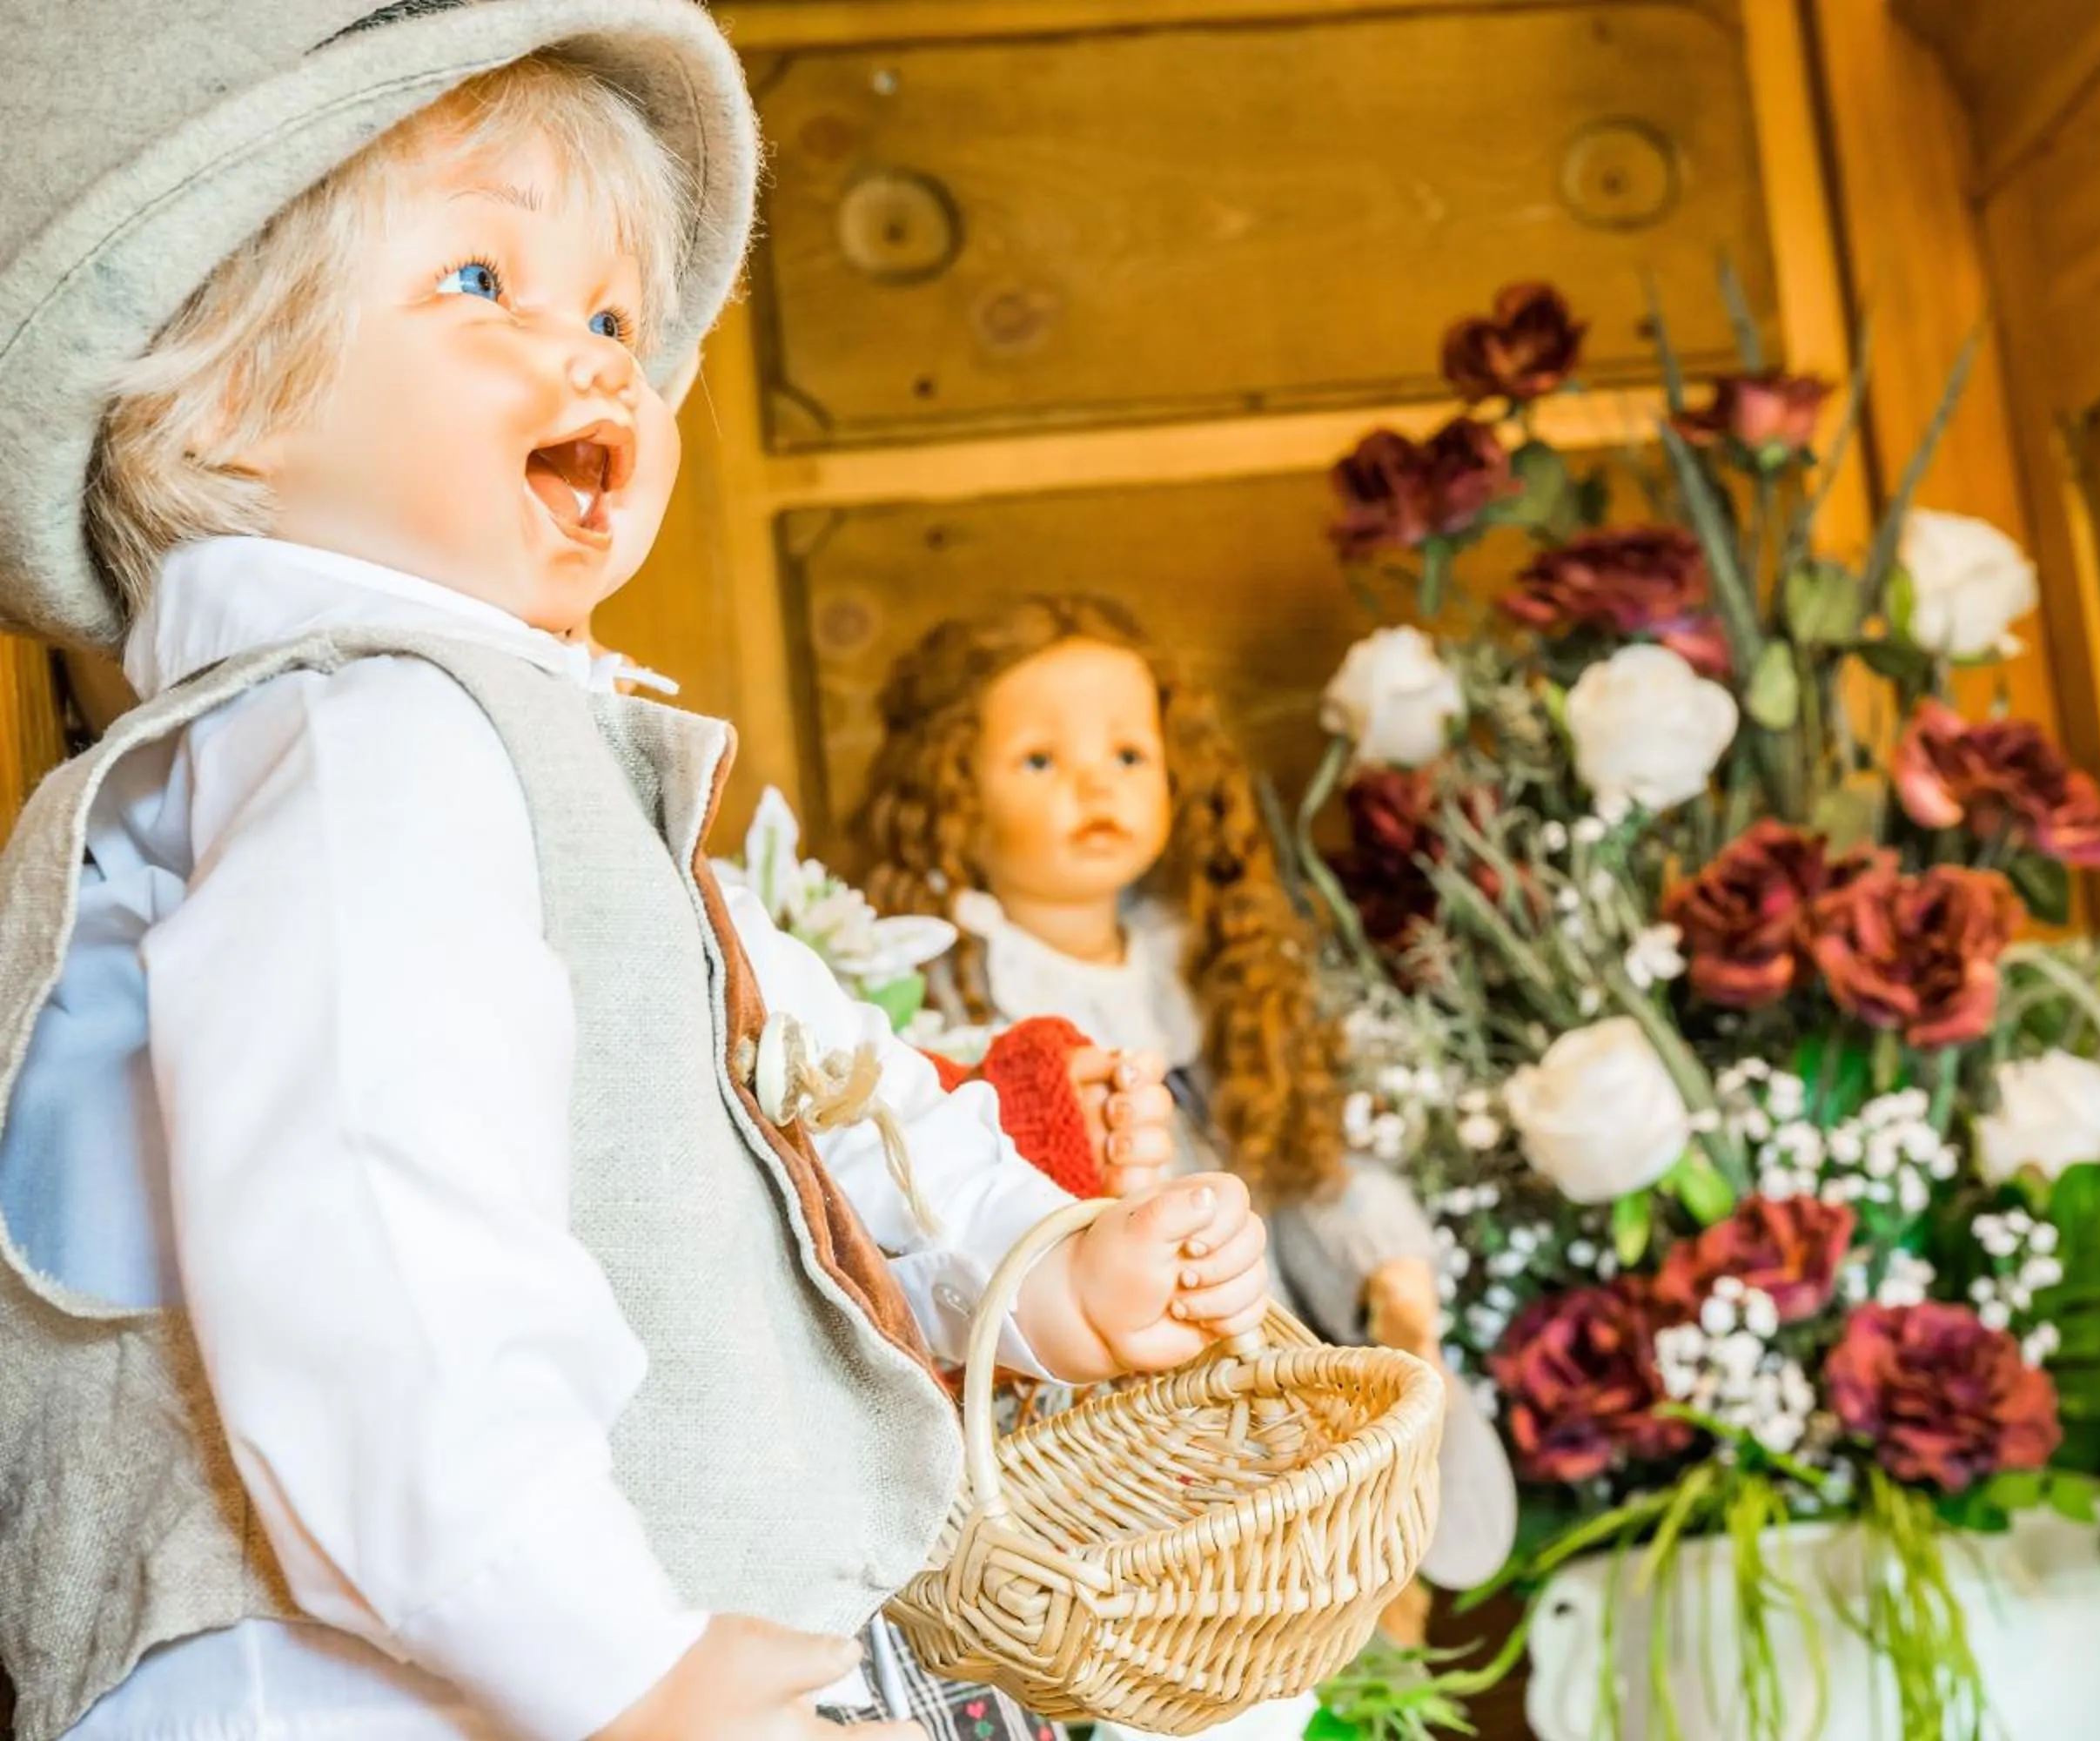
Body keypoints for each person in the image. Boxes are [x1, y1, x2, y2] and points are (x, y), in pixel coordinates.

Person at [0, 11, 1269, 1740]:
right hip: (361, 1687)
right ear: (222, 399)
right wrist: (608, 1664)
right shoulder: (365, 738)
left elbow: (814, 1096)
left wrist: (1038, 1271)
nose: (600, 364)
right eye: (482, 286)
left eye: (612, 316)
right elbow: (369, 1224)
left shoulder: (520, 760)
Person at [855, 596, 1520, 1640]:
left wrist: (1387, 1271)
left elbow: (1305, 1151)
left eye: (1129, 752)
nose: (1094, 784)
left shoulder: (1206, 969)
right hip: (1093, 1391)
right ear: (952, 790)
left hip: (1264, 1320)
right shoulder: (944, 990)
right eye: (1039, 761)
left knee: (1333, 1574)